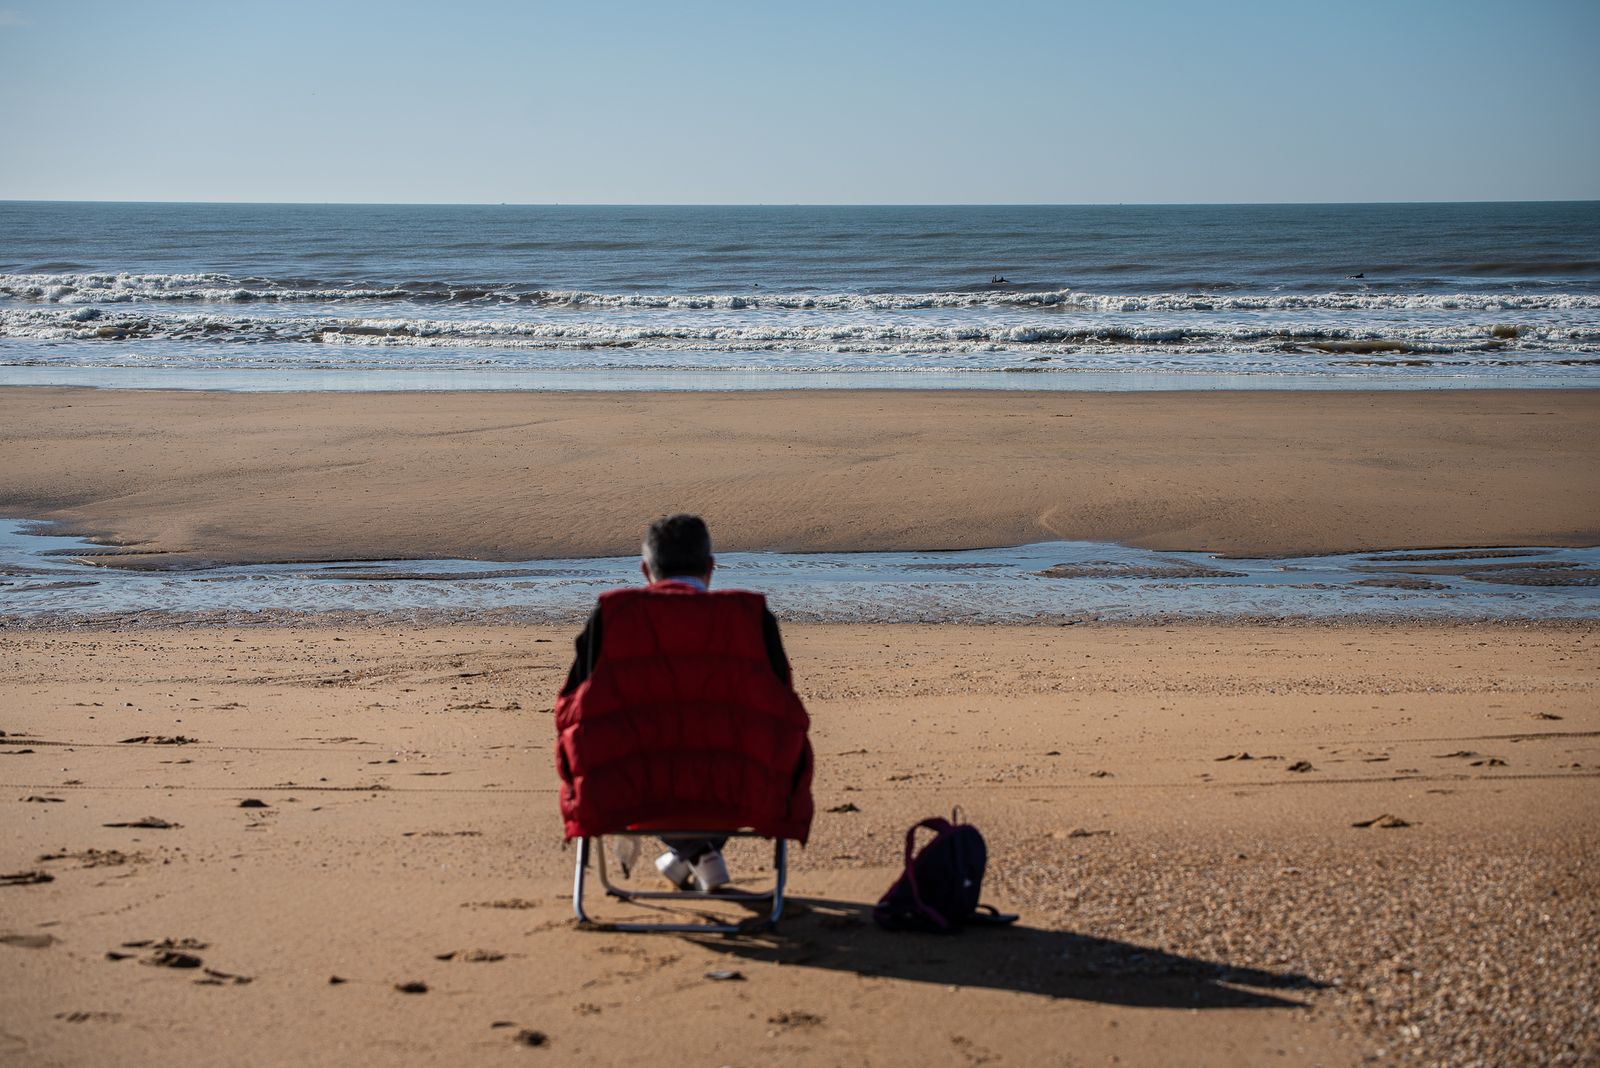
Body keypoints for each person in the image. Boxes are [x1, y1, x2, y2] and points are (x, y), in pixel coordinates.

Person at [555, 514, 811, 891]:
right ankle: (699, 851)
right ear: (710, 568)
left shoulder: (613, 616)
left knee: (641, 749)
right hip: (741, 791)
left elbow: (570, 711)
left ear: (645, 570)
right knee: (729, 744)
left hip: (628, 790)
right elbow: (781, 711)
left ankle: (689, 851)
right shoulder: (750, 618)